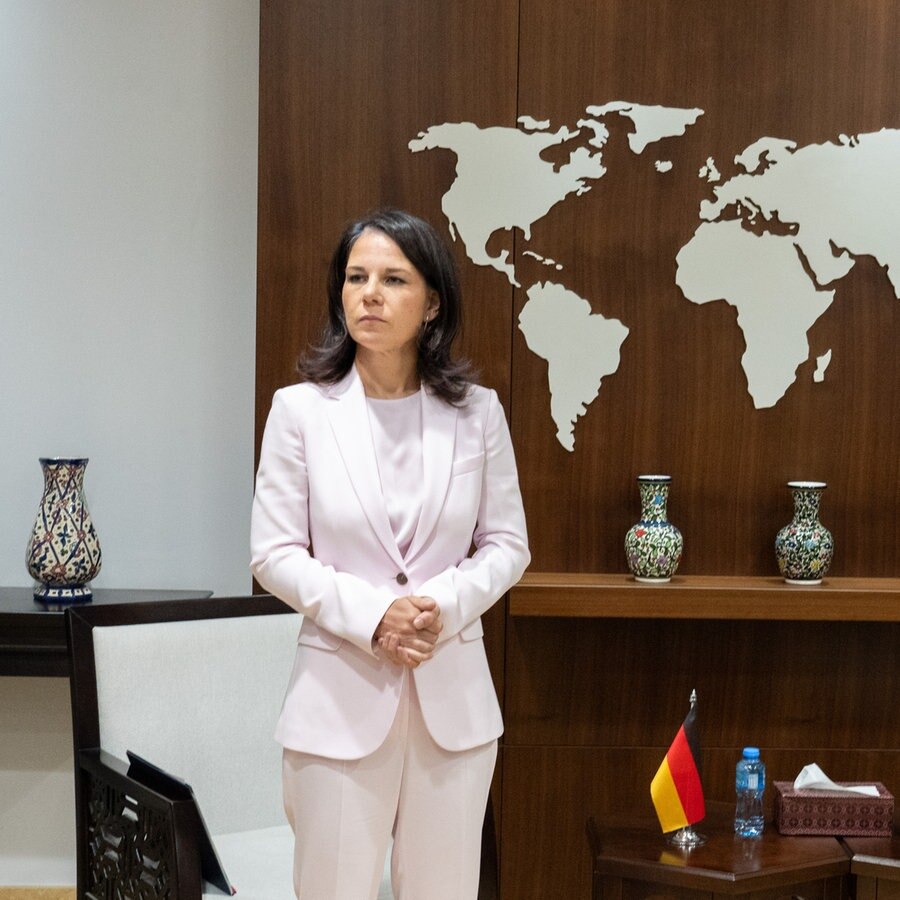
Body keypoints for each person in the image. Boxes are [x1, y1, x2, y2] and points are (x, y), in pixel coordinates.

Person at [250, 208, 530, 899]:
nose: (369, 293)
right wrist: (378, 615)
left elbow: (507, 544)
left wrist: (440, 606)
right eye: (356, 277)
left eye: (393, 279)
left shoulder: (478, 413)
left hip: (453, 707)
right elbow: (274, 552)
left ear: (432, 302)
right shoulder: (301, 412)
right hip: (338, 704)